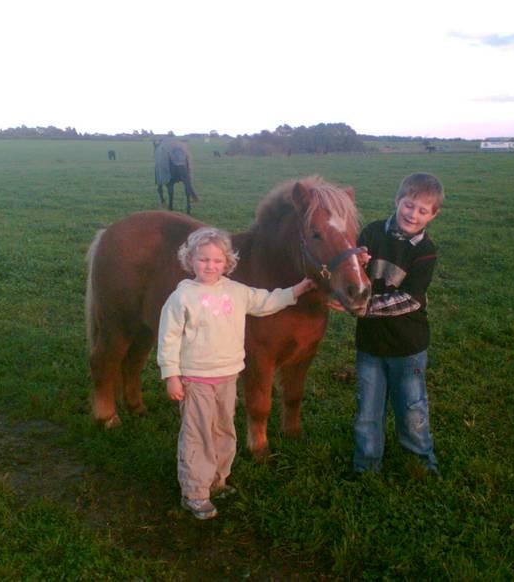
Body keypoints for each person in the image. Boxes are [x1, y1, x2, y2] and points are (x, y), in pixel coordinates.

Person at [157, 227, 316, 519]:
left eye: (217, 261)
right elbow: (168, 339)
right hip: (196, 379)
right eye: (203, 260)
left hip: (228, 376)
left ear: (227, 263)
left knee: (223, 430)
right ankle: (195, 492)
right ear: (190, 260)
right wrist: (171, 375)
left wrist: (297, 290)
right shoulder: (182, 298)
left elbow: (265, 302)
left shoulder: (235, 290)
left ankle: (218, 480)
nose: (210, 266)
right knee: (197, 435)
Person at [345, 172, 444, 476]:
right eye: (409, 205)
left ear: (433, 215)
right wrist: (355, 262)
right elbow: (354, 269)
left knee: (412, 408)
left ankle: (422, 461)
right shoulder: (373, 233)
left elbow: (410, 300)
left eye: (422, 210)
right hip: (370, 345)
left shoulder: (425, 251)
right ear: (398, 201)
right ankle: (365, 465)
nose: (412, 214)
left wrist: (361, 307)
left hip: (408, 347)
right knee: (367, 412)